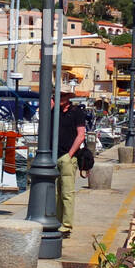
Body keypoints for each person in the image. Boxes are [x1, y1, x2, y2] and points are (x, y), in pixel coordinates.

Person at [55, 92, 87, 238]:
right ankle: (57, 221)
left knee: (67, 193)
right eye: (57, 96)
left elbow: (81, 134)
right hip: (54, 156)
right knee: (55, 193)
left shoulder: (77, 112)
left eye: (62, 96)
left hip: (67, 157)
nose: (59, 99)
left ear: (68, 98)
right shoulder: (54, 112)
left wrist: (70, 154)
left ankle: (66, 226)